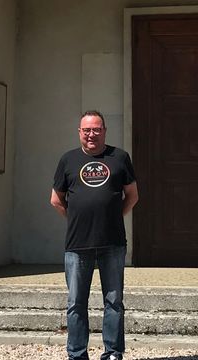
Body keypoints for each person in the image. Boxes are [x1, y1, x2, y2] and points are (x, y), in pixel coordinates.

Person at [50, 110, 139, 360]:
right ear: (79, 132)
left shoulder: (120, 158)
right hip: (78, 245)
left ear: (104, 131)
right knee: (76, 303)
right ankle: (77, 354)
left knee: (114, 302)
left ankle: (113, 353)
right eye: (87, 130)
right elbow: (56, 200)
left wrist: (113, 217)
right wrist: (78, 219)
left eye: (97, 129)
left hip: (113, 243)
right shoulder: (68, 160)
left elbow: (132, 196)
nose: (92, 134)